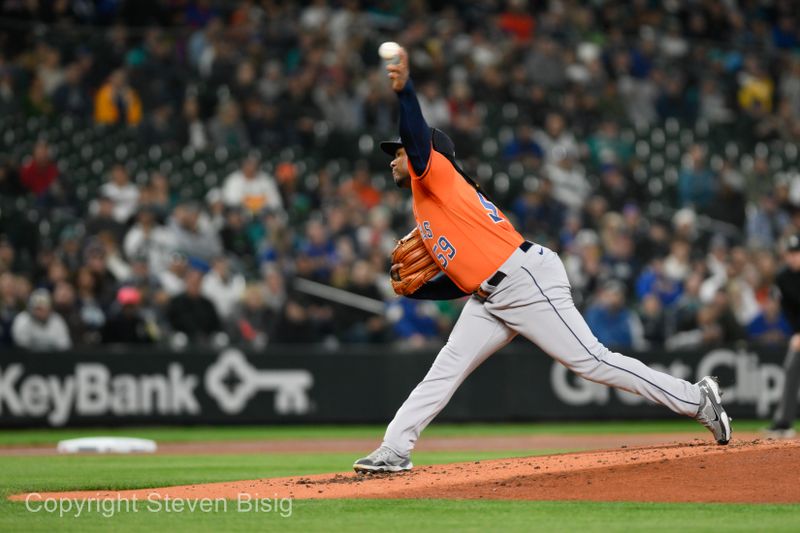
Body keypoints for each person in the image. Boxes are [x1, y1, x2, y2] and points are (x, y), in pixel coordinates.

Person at [353, 46, 731, 474]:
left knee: (592, 360)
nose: (394, 157)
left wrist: (406, 93)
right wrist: (419, 291)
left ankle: (697, 400)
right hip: (491, 291)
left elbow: (418, 135)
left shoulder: (434, 172)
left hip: (524, 280)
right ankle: (394, 448)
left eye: (398, 151)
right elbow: (463, 278)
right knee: (447, 366)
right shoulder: (434, 204)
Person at [766, 235, 800, 438]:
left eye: (796, 253)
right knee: (791, 368)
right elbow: (790, 311)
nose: (793, 257)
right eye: (790, 253)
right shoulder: (783, 278)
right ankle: (784, 422)